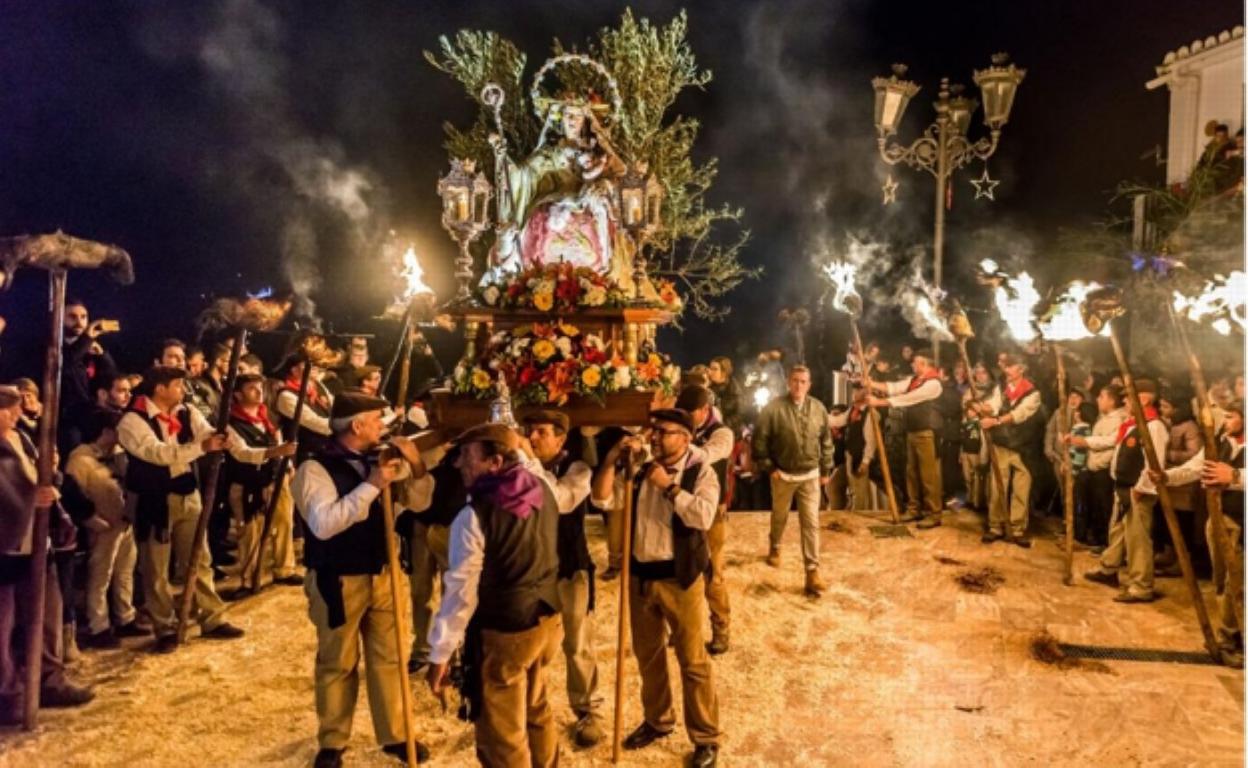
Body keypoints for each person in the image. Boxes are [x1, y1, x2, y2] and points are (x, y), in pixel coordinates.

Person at [292, 391, 434, 768]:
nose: (382, 426)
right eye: (376, 420)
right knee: (338, 661)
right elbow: (323, 525)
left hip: (384, 571)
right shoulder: (313, 469)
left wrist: (415, 469)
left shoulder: (381, 460)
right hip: (338, 579)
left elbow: (417, 504)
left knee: (389, 657)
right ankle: (333, 741)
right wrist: (372, 484)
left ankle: (396, 734)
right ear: (356, 426)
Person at [591, 408, 720, 768]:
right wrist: (612, 459)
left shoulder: (700, 472)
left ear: (686, 437)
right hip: (640, 576)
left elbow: (702, 517)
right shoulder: (636, 468)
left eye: (665, 432)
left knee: (693, 661)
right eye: (655, 431)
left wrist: (669, 487)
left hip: (681, 579)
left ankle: (706, 736)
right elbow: (602, 499)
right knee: (648, 656)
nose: (657, 437)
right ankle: (658, 720)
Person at [426, 423, 560, 768]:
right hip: (546, 618)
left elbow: (461, 593)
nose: (459, 465)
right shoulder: (542, 486)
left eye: (468, 457)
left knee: (502, 732)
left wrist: (440, 652)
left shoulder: (473, 517)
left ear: (496, 462)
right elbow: (528, 462)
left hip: (507, 630)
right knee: (536, 708)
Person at [118, 365, 245, 652]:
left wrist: (231, 442)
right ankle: (165, 626)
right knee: (156, 567)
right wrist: (203, 447)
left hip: (188, 493)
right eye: (177, 385)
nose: (183, 391)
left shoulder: (186, 412)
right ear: (160, 389)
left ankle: (212, 616)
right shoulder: (132, 421)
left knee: (199, 559)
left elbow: (208, 432)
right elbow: (157, 454)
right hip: (155, 500)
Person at [0, 385, 94, 721]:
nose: (14, 413)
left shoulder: (21, 438)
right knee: (3, 623)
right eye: (6, 408)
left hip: (36, 542)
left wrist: (49, 471)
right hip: (5, 547)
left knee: (47, 615)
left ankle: (49, 680)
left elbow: (39, 481)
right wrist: (30, 500)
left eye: (14, 407)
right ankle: (8, 695)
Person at [518, 410, 604, 746]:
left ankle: (588, 711)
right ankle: (529, 709)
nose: (533, 438)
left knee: (578, 644)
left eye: (540, 432)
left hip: (570, 568)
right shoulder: (520, 468)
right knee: (532, 646)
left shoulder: (578, 469)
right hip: (533, 570)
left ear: (561, 438)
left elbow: (559, 500)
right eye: (529, 431)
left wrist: (527, 459)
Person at [1152, 399, 1245, 666]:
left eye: (1232, 416)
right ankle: (1232, 631)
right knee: (1223, 581)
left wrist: (1236, 477)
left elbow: (1233, 476)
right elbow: (1196, 467)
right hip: (1220, 519)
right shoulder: (1222, 443)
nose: (1225, 421)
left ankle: (1232, 638)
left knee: (1237, 583)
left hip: (1243, 520)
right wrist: (1168, 477)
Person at [1079, 379, 1170, 602]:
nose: (1125, 401)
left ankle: (1141, 586)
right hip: (1122, 488)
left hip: (1137, 490)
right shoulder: (1131, 425)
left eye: (1129, 397)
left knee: (1138, 540)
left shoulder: (1153, 427)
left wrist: (1142, 488)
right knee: (1118, 531)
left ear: (1144, 399)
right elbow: (1110, 441)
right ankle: (1109, 569)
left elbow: (1154, 463)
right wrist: (1082, 441)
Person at [64, 408, 148, 649]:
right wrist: (90, 519)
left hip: (123, 522)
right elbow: (74, 494)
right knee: (101, 575)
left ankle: (125, 615)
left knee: (124, 570)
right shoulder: (80, 461)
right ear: (106, 432)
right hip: (102, 527)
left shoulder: (118, 455)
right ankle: (97, 625)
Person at [752, 364, 833, 597]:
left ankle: (812, 571)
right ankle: (775, 546)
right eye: (795, 380)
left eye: (803, 381)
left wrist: (826, 469)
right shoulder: (773, 409)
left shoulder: (818, 408)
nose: (799, 385)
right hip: (783, 474)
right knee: (780, 516)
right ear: (788, 382)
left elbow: (826, 440)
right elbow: (760, 441)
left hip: (810, 474)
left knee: (811, 523)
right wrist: (770, 468)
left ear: (809, 384)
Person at [223, 374, 299, 597]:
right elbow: (242, 453)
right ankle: (249, 578)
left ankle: (284, 568)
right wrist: (275, 452)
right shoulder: (231, 424)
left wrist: (288, 465)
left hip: (275, 478)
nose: (259, 392)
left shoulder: (269, 418)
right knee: (250, 532)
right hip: (248, 482)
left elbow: (281, 442)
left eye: (260, 387)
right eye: (251, 388)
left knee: (284, 521)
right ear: (238, 394)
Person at [676, 384, 735, 655]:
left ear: (704, 410)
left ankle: (721, 627)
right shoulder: (684, 428)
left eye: (690, 413)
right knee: (679, 572)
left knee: (713, 575)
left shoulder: (721, 433)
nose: (685, 418)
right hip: (681, 508)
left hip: (711, 514)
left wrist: (678, 443)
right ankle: (681, 629)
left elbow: (709, 455)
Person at [868, 348, 945, 528]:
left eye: (916, 362)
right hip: (912, 432)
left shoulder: (933, 384)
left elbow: (908, 398)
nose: (912, 364)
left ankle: (934, 513)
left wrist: (879, 402)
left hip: (926, 433)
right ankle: (914, 509)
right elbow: (894, 388)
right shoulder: (914, 380)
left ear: (924, 364)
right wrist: (871, 383)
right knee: (911, 473)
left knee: (928, 475)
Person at [979, 354, 1045, 547]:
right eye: (1005, 367)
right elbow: (994, 405)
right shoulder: (1002, 388)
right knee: (997, 487)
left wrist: (995, 420)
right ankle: (996, 526)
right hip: (1001, 444)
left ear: (1021, 369)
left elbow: (1019, 414)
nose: (1006, 371)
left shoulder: (1033, 393)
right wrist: (984, 408)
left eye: (1011, 367)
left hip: (1024, 448)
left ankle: (1017, 529)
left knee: (1020, 490)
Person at [1078, 385, 1127, 550]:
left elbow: (1112, 441)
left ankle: (1105, 541)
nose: (1098, 399)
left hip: (1104, 469)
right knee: (1095, 505)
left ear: (1112, 401)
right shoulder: (1102, 417)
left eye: (1101, 396)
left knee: (1105, 506)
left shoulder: (1120, 419)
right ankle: (1096, 538)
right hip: (1094, 467)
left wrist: (1086, 442)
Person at [60, 299, 118, 425]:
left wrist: (102, 355)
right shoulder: (52, 346)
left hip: (88, 413)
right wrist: (87, 338)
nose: (79, 322)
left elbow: (111, 378)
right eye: (72, 317)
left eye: (83, 317)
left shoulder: (88, 346)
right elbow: (66, 365)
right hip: (65, 418)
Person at [277, 359, 334, 463]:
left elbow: (333, 405)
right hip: (305, 455)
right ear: (294, 370)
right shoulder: (286, 395)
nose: (315, 367)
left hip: (327, 449)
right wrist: (342, 427)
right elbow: (315, 422)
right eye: (308, 364)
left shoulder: (317, 385)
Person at [706, 357, 743, 433]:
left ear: (724, 372)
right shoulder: (708, 388)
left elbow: (739, 415)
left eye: (715, 369)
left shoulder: (734, 391)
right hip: (710, 432)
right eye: (710, 368)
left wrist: (720, 424)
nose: (710, 372)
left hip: (729, 434)